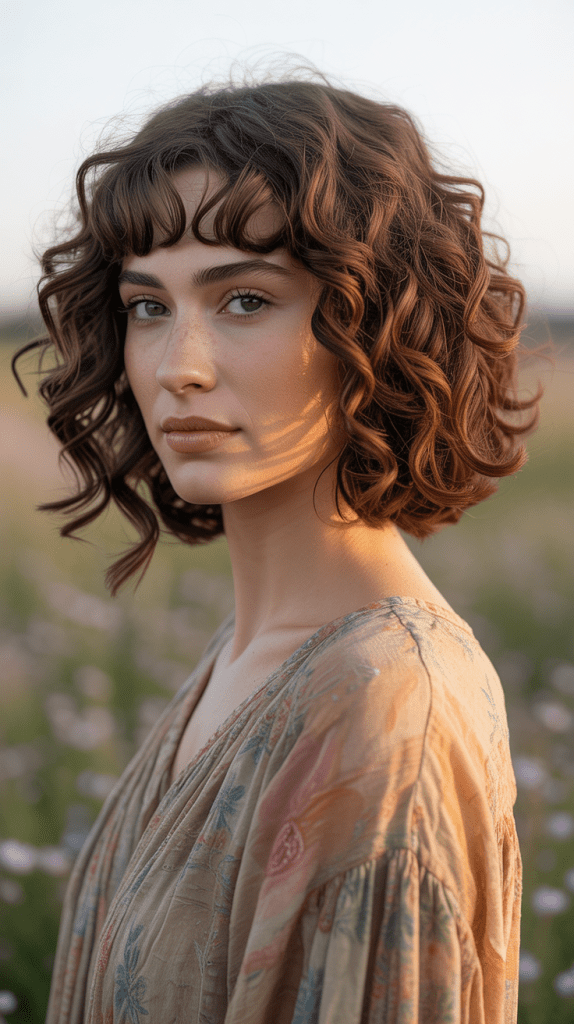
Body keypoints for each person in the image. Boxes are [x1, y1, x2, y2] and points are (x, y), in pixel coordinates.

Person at [13, 66, 539, 1024]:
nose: (180, 367)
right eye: (148, 307)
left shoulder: (388, 708)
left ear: (373, 324)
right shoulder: (254, 650)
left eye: (246, 300)